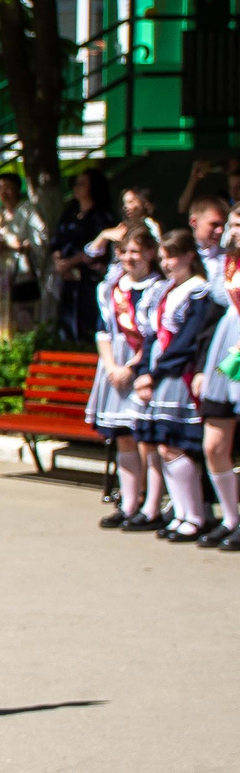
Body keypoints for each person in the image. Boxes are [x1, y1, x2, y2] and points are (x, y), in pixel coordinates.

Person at [133, 228, 220, 543]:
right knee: (163, 446)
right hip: (160, 371)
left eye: (173, 256)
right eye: (164, 257)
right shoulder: (166, 291)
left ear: (189, 256)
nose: (167, 264)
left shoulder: (200, 291)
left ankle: (195, 516)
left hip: (178, 375)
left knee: (177, 444)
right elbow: (152, 336)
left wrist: (154, 374)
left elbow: (188, 341)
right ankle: (182, 512)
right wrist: (145, 370)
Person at [91, 228, 162, 530]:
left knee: (149, 440)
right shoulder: (112, 288)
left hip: (143, 366)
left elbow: (156, 335)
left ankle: (152, 506)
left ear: (149, 253)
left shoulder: (158, 288)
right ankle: (129, 502)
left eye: (136, 251)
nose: (130, 258)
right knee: (124, 438)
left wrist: (131, 368)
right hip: (115, 366)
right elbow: (103, 331)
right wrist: (111, 366)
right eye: (125, 252)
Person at [197, 211, 240, 548]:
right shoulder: (224, 264)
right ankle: (230, 517)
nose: (233, 231)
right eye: (232, 224)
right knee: (213, 444)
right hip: (225, 354)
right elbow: (209, 319)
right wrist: (201, 367)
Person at [0, 172, 48, 342]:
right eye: (0, 188)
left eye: (8, 188)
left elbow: (41, 238)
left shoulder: (27, 211)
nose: (4, 192)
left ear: (17, 189)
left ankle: (21, 350)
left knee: (21, 320)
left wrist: (19, 246)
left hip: (20, 275)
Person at [49, 169, 109, 342]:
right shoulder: (69, 214)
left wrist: (70, 263)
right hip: (67, 277)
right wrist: (59, 263)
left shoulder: (102, 216)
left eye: (82, 183)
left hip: (89, 277)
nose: (76, 187)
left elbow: (95, 248)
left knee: (86, 322)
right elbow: (56, 241)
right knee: (66, 324)